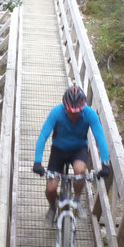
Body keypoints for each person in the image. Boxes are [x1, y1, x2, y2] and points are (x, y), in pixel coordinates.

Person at [32, 85, 111, 227]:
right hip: (58, 151)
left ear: (83, 107)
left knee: (80, 171)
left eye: (77, 111)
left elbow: (100, 138)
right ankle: (52, 207)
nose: (73, 114)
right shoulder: (56, 112)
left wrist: (105, 163)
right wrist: (38, 161)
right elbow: (43, 135)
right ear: (65, 106)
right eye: (69, 111)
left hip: (78, 150)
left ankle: (77, 200)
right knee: (51, 188)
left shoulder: (89, 114)